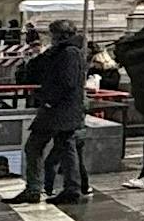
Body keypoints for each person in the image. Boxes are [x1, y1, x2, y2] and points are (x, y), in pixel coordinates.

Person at [10, 21, 89, 205]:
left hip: (57, 109)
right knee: (66, 147)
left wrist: (48, 100)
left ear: (58, 35)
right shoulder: (66, 51)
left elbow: (66, 82)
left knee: (34, 146)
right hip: (63, 109)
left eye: (52, 34)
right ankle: (71, 189)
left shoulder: (69, 53)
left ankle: (35, 188)